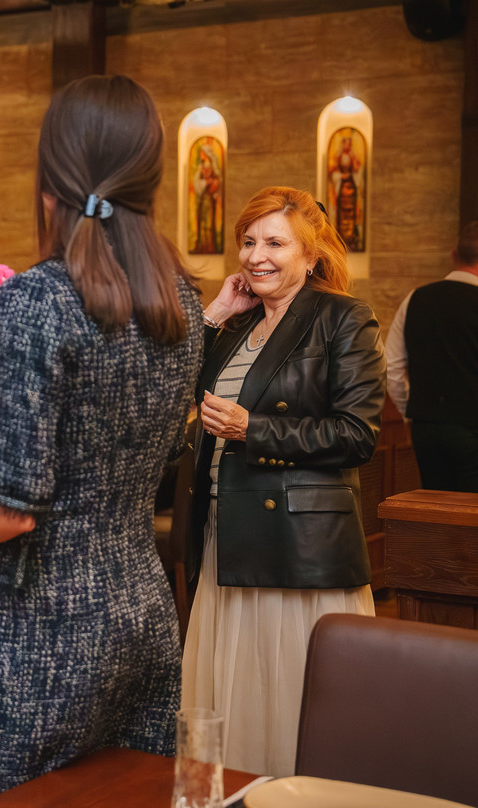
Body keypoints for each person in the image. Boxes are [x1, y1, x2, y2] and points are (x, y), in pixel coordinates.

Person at [0, 74, 203, 803]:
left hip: (45, 625)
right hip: (143, 609)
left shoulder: (40, 298)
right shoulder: (182, 301)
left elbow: (15, 506)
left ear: (50, 177)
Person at [181, 186, 386, 777]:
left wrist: (253, 430)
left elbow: (356, 435)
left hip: (296, 548)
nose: (256, 256)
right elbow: (173, 389)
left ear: (311, 254)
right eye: (248, 242)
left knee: (289, 698)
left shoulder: (342, 318)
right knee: (232, 700)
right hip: (225, 535)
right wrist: (216, 312)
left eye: (275, 243)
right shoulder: (236, 326)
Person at [385, 220, 478, 492]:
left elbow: (390, 367)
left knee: (435, 506)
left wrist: (410, 413)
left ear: (453, 255)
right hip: (473, 427)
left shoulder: (415, 298)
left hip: (426, 429)